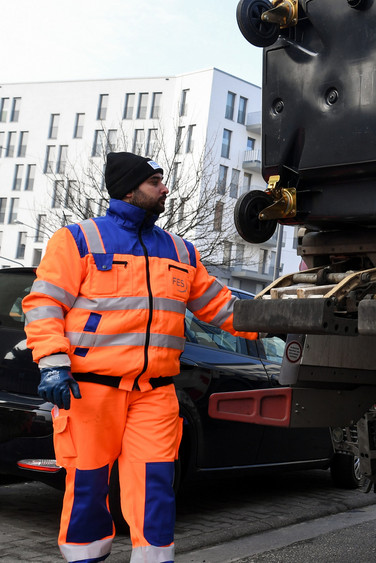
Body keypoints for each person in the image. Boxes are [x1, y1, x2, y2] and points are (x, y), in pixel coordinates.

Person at [22, 151, 257, 563]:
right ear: (129, 189)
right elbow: (44, 306)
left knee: (155, 487)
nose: (165, 189)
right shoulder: (78, 240)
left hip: (155, 394)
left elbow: (221, 309)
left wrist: (281, 318)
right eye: (155, 182)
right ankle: (84, 558)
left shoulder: (181, 251)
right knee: (89, 488)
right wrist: (53, 363)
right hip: (90, 391)